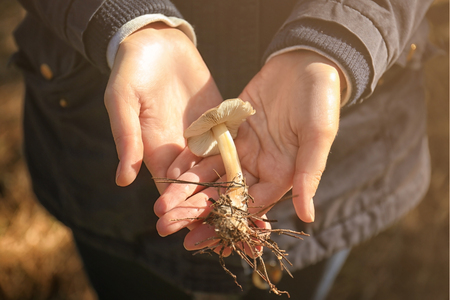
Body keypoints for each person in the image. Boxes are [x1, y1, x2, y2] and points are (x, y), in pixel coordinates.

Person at [12, 0, 435, 299]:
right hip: (92, 144)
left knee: (294, 280)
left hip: (349, 158)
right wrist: (127, 18)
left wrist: (340, 36)